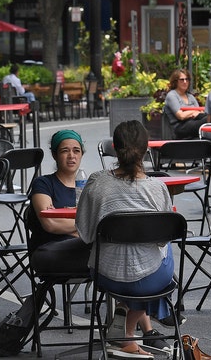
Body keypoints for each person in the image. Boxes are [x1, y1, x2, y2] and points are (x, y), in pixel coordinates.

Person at [75, 120, 175, 359]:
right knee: (165, 250)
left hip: (104, 275)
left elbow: (86, 234)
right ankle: (127, 333)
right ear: (146, 149)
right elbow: (162, 240)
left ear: (114, 148)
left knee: (142, 261)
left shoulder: (96, 182)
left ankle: (124, 322)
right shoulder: (158, 188)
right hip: (149, 280)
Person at [28, 130, 90, 275]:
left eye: (76, 151)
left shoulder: (88, 185)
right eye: (64, 151)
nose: (71, 156)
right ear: (55, 155)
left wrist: (70, 225)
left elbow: (99, 221)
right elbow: (50, 224)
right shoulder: (43, 183)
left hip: (81, 249)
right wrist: (85, 226)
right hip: (50, 249)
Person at [163, 69, 207, 139]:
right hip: (180, 127)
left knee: (210, 118)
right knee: (208, 120)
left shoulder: (190, 96)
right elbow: (181, 116)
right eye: (182, 80)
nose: (185, 82)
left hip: (193, 123)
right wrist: (193, 112)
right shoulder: (172, 95)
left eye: (187, 79)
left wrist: (191, 113)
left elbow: (200, 113)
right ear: (176, 82)